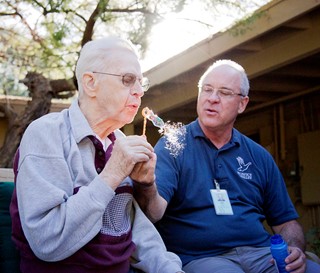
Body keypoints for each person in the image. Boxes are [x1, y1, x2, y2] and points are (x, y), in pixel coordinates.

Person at [9, 36, 184, 273]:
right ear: (90, 83)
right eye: (128, 80)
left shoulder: (120, 141)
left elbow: (137, 231)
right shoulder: (46, 134)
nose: (140, 92)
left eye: (142, 83)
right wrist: (113, 173)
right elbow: (47, 241)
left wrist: (146, 185)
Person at [133, 59, 320, 273]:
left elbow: (286, 222)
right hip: (203, 258)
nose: (212, 99)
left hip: (262, 255)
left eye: (224, 92)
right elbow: (153, 213)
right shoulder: (173, 145)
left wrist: (295, 249)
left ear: (242, 103)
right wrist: (146, 184)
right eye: (207, 90)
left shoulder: (258, 156)